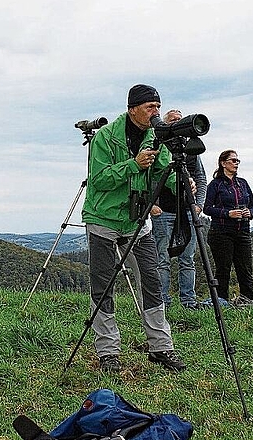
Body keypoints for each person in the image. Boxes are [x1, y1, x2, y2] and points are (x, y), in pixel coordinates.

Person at [81, 84, 186, 373]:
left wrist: (182, 185)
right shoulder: (105, 137)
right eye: (150, 107)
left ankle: (161, 347)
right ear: (132, 110)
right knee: (103, 287)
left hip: (138, 221)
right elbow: (99, 180)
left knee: (152, 282)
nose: (156, 112)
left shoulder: (155, 136)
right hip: (103, 219)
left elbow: (164, 171)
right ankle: (108, 351)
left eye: (158, 107)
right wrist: (133, 164)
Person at [150, 109, 207, 309]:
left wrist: (198, 204)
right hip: (163, 210)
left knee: (187, 259)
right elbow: (149, 176)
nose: (177, 122)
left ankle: (188, 301)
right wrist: (152, 205)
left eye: (179, 120)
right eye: (172, 120)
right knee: (163, 258)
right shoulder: (159, 146)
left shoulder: (189, 149)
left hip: (188, 210)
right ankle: (162, 301)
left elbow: (200, 177)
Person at [203, 150, 253, 302]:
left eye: (237, 161)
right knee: (223, 270)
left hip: (243, 232)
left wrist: (249, 212)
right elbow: (207, 208)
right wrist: (228, 213)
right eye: (233, 160)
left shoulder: (243, 183)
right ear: (223, 163)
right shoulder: (215, 185)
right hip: (221, 232)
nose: (236, 163)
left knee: (245, 271)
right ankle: (221, 303)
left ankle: (248, 303)